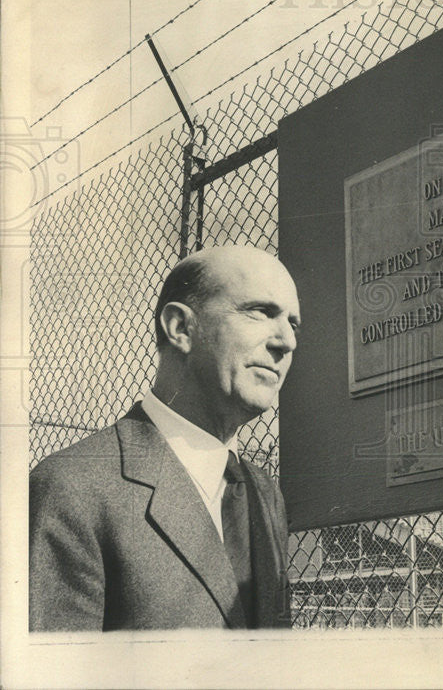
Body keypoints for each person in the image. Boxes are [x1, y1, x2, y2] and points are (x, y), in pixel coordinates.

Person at [30, 245, 301, 630]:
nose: (286, 342)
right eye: (261, 312)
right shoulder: (71, 487)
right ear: (180, 328)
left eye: (294, 324)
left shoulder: (264, 493)